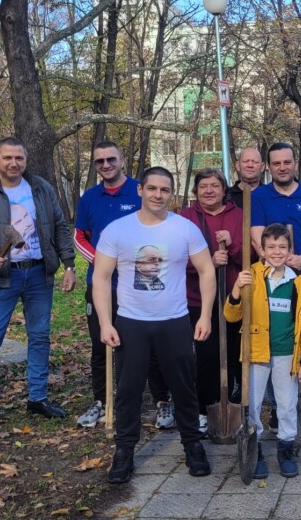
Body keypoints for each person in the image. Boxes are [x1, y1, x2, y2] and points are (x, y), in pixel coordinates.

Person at [93, 167, 217, 482]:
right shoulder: (118, 230)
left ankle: (192, 445)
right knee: (129, 390)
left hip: (174, 322)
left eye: (165, 190)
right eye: (152, 189)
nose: (158, 195)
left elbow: (206, 270)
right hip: (131, 323)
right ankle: (124, 450)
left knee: (184, 387)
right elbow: (101, 277)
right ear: (140, 190)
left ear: (171, 194)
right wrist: (106, 322)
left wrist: (204, 315)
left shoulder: (185, 229)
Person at [0, 137, 76, 440]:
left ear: (25, 160)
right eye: (7, 158)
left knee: (40, 336)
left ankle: (37, 398)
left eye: (19, 158)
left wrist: (69, 263)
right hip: (1, 279)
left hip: (37, 274)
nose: (13, 164)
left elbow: (60, 226)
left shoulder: (41, 188)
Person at [72, 142, 172, 430]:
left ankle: (162, 400)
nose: (106, 165)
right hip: (102, 284)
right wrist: (103, 261)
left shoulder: (142, 190)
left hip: (141, 283)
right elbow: (79, 236)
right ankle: (102, 401)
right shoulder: (90, 197)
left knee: (151, 342)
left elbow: (159, 226)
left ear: (122, 160)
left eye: (111, 159)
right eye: (99, 161)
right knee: (101, 342)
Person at [226, 223, 301, 478]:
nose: (277, 252)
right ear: (262, 250)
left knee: (286, 404)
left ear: (289, 251)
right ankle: (256, 452)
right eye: (271, 247)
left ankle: (286, 449)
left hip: (287, 354)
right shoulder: (250, 277)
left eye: (282, 247)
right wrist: (235, 290)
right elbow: (231, 316)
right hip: (255, 352)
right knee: (252, 404)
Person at [179, 169, 243, 435]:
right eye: (203, 186)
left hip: (235, 297)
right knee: (206, 354)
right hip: (198, 299)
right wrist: (205, 263)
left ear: (223, 189)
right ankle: (206, 407)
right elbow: (175, 257)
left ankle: (237, 404)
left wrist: (233, 246)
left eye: (214, 186)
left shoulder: (238, 215)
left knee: (237, 352)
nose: (209, 191)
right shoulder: (185, 218)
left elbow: (252, 253)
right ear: (196, 191)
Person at [250, 143, 301, 284]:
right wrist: (279, 262)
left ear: (296, 164)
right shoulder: (258, 196)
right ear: (268, 167)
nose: (282, 168)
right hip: (271, 278)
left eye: (287, 162)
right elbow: (257, 238)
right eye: (276, 163)